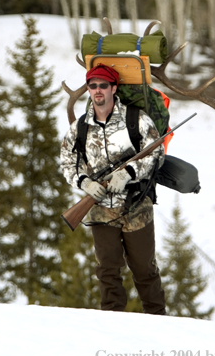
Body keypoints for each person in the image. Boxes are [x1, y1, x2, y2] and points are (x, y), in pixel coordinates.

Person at [61, 64, 166, 315]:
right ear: (88, 89)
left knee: (144, 270)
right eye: (93, 85)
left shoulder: (136, 118)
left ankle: (159, 322)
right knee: (107, 271)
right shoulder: (80, 127)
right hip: (100, 210)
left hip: (136, 206)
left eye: (103, 85)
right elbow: (66, 160)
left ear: (114, 88)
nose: (98, 91)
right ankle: (111, 325)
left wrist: (129, 173)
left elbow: (157, 153)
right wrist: (84, 182)